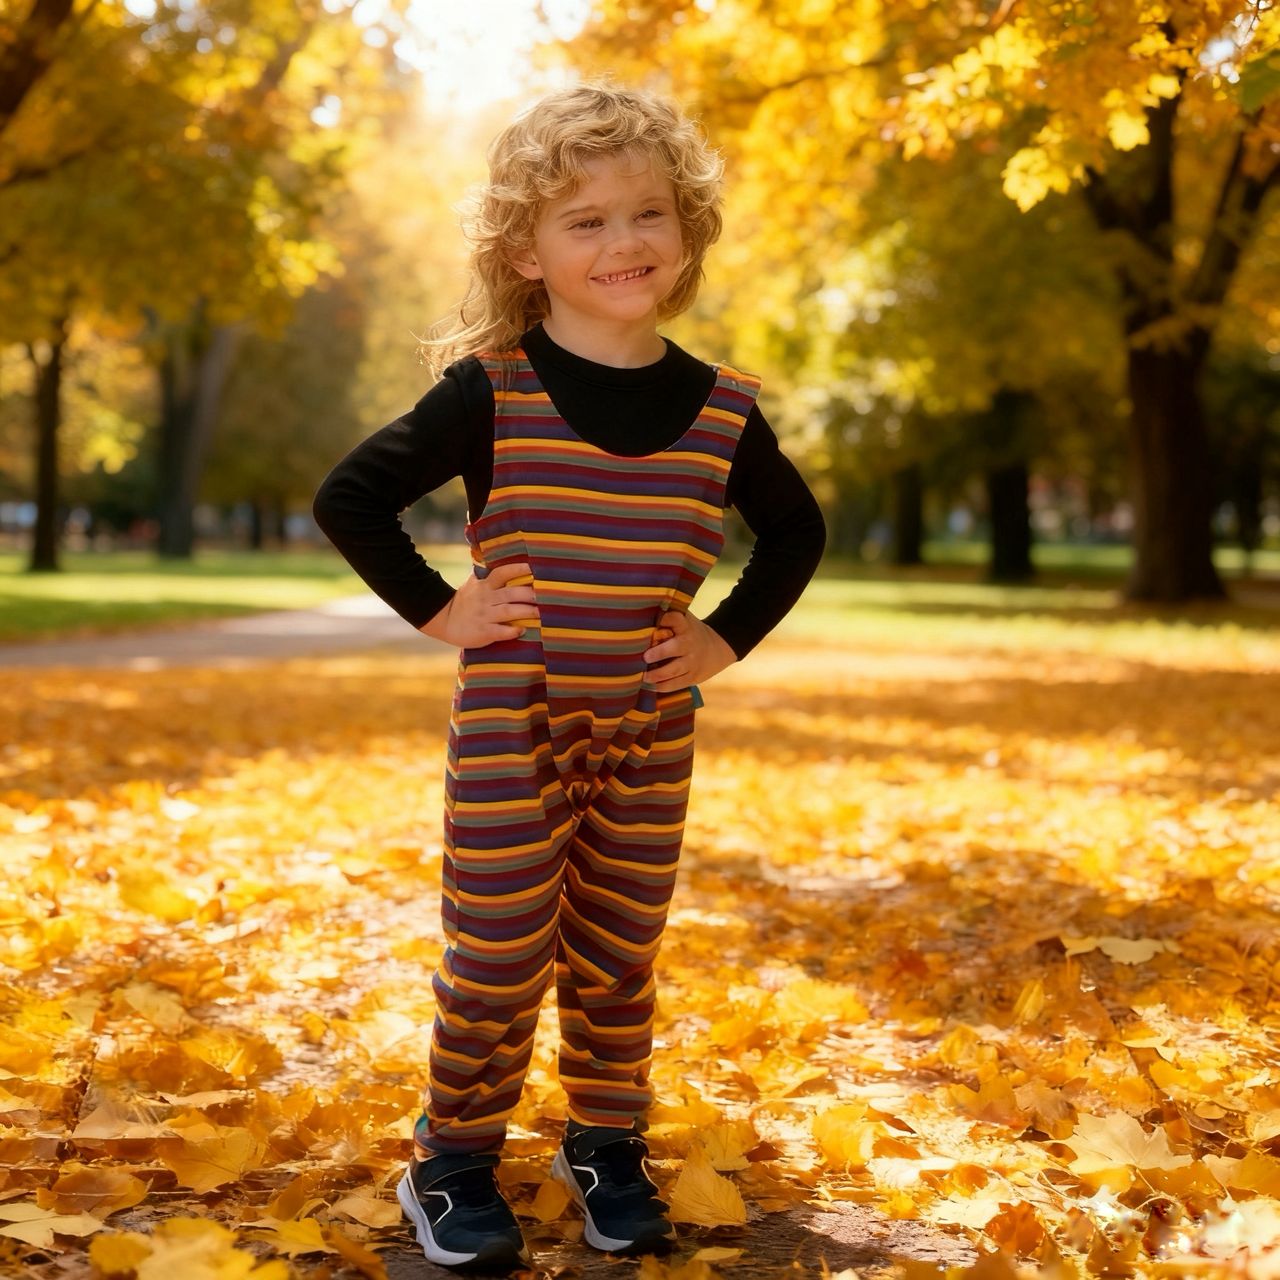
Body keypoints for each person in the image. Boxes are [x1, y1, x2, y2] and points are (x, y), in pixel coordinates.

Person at [312, 81, 826, 1273]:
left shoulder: (721, 409)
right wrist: (444, 609)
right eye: (584, 221)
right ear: (526, 251)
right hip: (517, 721)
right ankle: (452, 1157)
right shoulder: (491, 391)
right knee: (497, 948)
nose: (621, 241)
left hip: (649, 728)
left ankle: (604, 1142)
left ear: (686, 230)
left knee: (616, 948)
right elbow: (351, 495)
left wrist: (721, 640)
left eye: (647, 213)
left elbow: (795, 533)